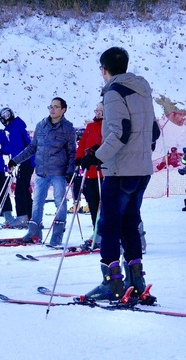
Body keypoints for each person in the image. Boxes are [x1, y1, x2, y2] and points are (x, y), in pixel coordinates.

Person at [81, 47, 160, 302]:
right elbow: (153, 131)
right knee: (130, 223)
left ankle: (112, 282)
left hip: (120, 170)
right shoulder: (142, 91)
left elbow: (119, 133)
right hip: (142, 169)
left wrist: (96, 156)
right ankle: (136, 280)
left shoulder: (113, 92)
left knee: (109, 225)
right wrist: (102, 147)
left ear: (104, 70)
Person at [9, 97, 76, 246]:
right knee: (37, 203)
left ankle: (57, 235)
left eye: (55, 107)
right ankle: (34, 231)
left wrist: (71, 170)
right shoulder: (41, 125)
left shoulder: (68, 128)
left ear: (63, 110)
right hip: (41, 171)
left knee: (60, 203)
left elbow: (72, 152)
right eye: (50, 106)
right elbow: (33, 147)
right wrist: (16, 160)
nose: (52, 109)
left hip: (58, 172)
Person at [0, 107, 35, 228]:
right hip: (26, 161)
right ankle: (29, 217)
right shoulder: (15, 127)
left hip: (23, 161)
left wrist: (15, 161)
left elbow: (17, 148)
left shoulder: (14, 129)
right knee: (24, 189)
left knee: (20, 189)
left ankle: (22, 217)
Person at [74, 102, 104, 243]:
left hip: (103, 172)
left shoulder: (109, 126)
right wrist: (79, 158)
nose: (97, 113)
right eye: (96, 110)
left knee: (104, 204)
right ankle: (96, 232)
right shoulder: (90, 126)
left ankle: (107, 234)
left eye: (100, 110)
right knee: (92, 203)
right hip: (90, 172)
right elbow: (83, 144)